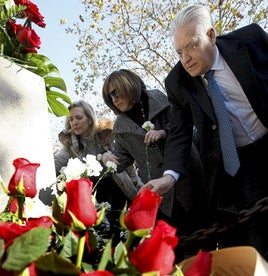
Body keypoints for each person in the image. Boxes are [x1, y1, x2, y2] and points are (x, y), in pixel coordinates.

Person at [143, 5, 268, 258]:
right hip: (240, 164)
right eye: (179, 52)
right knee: (260, 241)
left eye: (191, 46)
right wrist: (169, 177)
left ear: (211, 35)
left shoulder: (251, 39)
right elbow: (179, 132)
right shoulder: (177, 83)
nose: (185, 58)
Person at [102, 69, 204, 235]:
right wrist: (106, 158)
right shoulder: (120, 127)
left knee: (206, 236)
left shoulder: (158, 99)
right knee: (177, 247)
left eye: (116, 92)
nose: (114, 99)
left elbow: (183, 124)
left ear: (129, 85)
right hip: (161, 194)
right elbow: (120, 163)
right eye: (110, 97)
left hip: (190, 178)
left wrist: (163, 132)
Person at [54, 100, 135, 235]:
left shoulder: (107, 135)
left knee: (125, 229)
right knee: (105, 234)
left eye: (79, 118)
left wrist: (135, 179)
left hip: (117, 187)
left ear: (90, 120)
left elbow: (124, 159)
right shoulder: (70, 144)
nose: (74, 122)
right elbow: (58, 161)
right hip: (93, 196)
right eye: (71, 119)